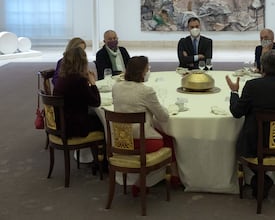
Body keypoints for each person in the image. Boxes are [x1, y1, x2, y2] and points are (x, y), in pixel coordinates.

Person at [225, 49, 275, 199]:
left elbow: (236, 112)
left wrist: (234, 92)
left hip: (256, 146)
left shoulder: (253, 86)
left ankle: (260, 177)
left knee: (245, 138)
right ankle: (264, 179)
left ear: (262, 68)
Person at [112, 56, 180, 196]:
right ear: (142, 73)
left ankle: (172, 176)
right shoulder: (146, 91)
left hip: (121, 140)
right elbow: (163, 117)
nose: (149, 71)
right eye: (148, 69)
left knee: (163, 136)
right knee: (169, 139)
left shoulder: (116, 87)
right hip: (140, 141)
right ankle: (156, 179)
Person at [53, 47, 103, 138]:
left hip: (60, 123)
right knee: (104, 122)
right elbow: (96, 102)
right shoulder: (79, 80)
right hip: (74, 127)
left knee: (95, 117)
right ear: (82, 62)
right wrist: (93, 83)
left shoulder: (63, 77)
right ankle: (101, 151)